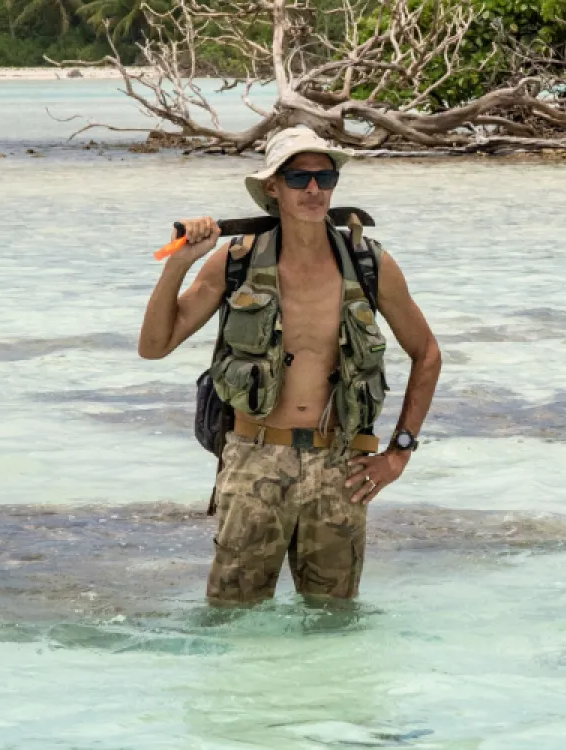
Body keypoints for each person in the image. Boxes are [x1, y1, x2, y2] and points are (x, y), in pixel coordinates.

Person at [137, 125, 442, 605]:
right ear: (273, 187)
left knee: (334, 623)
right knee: (230, 619)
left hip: (341, 465)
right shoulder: (234, 260)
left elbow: (427, 353)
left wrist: (399, 452)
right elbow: (154, 346)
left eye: (325, 178)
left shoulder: (368, 264)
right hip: (254, 459)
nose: (314, 190)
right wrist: (179, 263)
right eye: (299, 179)